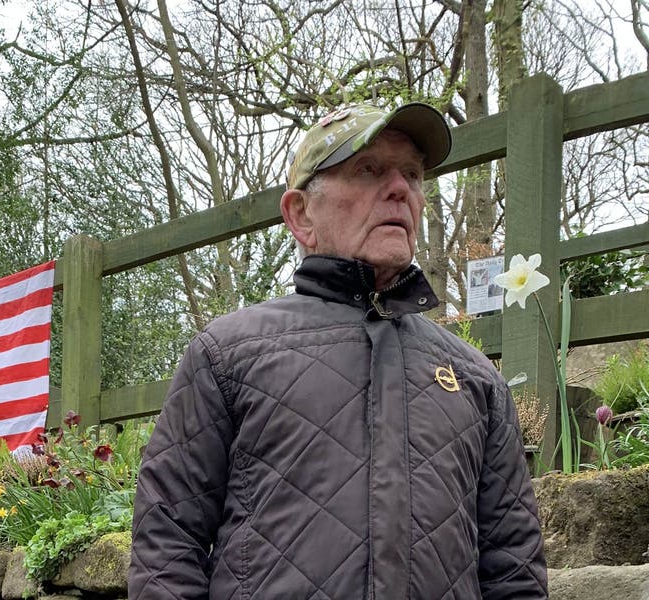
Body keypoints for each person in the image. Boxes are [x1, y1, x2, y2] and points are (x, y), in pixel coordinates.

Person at [129, 102, 547, 599]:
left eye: (412, 175)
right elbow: (167, 543)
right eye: (368, 169)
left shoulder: (475, 378)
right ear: (300, 214)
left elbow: (514, 567)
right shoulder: (228, 356)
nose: (399, 189)